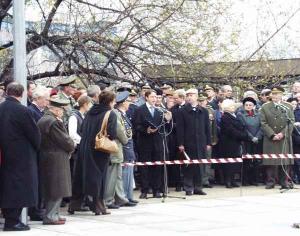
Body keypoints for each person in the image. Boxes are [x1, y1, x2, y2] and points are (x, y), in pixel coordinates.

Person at [0, 82, 41, 231]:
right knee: (19, 188)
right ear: (22, 93)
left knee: (6, 187)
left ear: (7, 92)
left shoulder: (1, 108)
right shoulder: (23, 111)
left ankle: (10, 218)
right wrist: (37, 148)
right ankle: (12, 221)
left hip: (4, 154)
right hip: (21, 156)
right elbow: (34, 135)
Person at [38, 96, 75, 225]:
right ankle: (51, 216)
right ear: (56, 110)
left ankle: (54, 214)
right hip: (56, 157)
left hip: (50, 156)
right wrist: (72, 144)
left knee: (54, 187)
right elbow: (65, 141)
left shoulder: (45, 119)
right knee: (56, 188)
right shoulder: (53, 122)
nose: (63, 112)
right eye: (62, 109)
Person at [80, 90, 117, 215]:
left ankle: (93, 203)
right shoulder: (110, 114)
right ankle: (99, 205)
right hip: (101, 149)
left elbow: (81, 128)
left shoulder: (90, 112)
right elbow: (112, 134)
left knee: (90, 176)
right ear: (110, 101)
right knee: (101, 177)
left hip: (86, 147)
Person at [135, 89, 172, 199]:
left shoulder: (160, 110)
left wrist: (168, 120)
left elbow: (166, 128)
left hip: (158, 142)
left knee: (157, 166)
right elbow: (136, 125)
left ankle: (157, 189)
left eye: (155, 97)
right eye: (152, 97)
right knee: (145, 167)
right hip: (145, 142)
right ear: (146, 97)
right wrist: (146, 130)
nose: (154, 99)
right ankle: (145, 190)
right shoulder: (140, 110)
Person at [104, 91, 137, 208]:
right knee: (114, 176)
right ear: (122, 103)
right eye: (128, 101)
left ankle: (121, 198)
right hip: (118, 146)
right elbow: (120, 131)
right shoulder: (116, 113)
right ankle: (110, 199)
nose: (130, 103)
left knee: (118, 176)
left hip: (123, 147)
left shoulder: (120, 114)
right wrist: (125, 140)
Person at [176, 88, 211, 196]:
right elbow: (180, 129)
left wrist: (208, 143)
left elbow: (207, 128)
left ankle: (198, 187)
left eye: (192, 95)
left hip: (200, 142)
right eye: (188, 95)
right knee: (188, 166)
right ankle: (188, 187)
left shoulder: (204, 111)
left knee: (199, 166)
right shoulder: (182, 111)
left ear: (196, 97)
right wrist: (181, 143)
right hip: (188, 142)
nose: (190, 97)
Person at [260, 86, 294, 189]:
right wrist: (272, 134)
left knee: (284, 161)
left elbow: (291, 122)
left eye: (277, 94)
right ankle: (270, 181)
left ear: (281, 95)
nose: (274, 96)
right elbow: (263, 122)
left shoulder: (288, 107)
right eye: (273, 94)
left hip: (284, 138)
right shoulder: (265, 107)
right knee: (271, 161)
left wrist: (282, 134)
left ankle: (284, 182)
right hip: (271, 138)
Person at [218, 99, 249, 188]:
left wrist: (243, 133)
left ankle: (232, 180)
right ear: (226, 108)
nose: (233, 107)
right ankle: (228, 181)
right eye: (231, 106)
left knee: (235, 162)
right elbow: (230, 130)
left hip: (236, 142)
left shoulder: (234, 116)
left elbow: (240, 126)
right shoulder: (225, 117)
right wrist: (242, 135)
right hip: (228, 143)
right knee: (229, 163)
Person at [237, 97, 263, 186]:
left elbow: (261, 127)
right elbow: (243, 128)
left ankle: (255, 180)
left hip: (257, 140)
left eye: (250, 105)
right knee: (246, 161)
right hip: (246, 141)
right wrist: (251, 137)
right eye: (246, 105)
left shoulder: (259, 114)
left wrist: (257, 137)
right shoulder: (240, 114)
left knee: (256, 161)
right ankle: (245, 180)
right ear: (244, 106)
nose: (248, 106)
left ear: (254, 106)